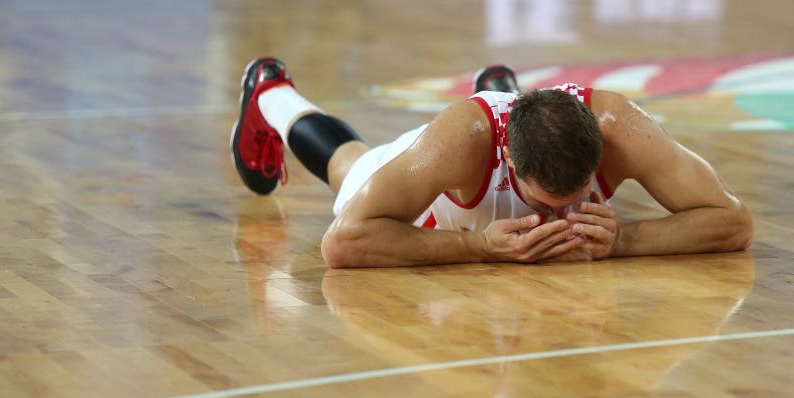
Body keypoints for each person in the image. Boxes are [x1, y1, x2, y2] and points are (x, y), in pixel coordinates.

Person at [230, 58, 753, 268]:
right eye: (547, 203)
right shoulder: (462, 141)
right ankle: (270, 95)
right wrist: (478, 246)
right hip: (444, 188)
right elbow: (343, 242)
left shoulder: (619, 126)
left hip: (512, 140)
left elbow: (733, 221)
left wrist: (626, 240)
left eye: (574, 199)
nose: (559, 217)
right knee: (350, 165)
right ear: (507, 157)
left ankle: (506, 92)